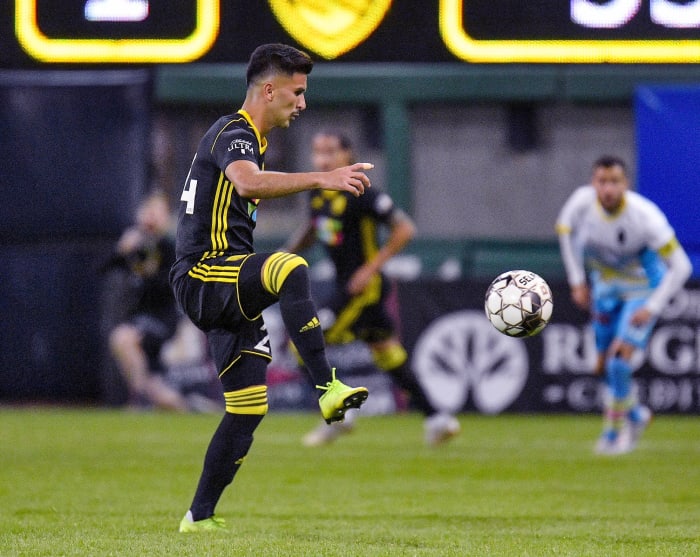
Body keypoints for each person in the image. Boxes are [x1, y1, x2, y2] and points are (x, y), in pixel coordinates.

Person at [170, 43, 372, 532]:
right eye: (296, 92)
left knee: (247, 408)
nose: (302, 103)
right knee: (289, 268)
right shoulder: (235, 132)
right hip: (204, 274)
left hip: (224, 280)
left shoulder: (250, 139)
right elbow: (248, 184)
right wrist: (323, 178)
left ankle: (198, 517)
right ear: (268, 90)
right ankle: (326, 387)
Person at [284, 130, 461, 447]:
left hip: (362, 289)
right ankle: (438, 419)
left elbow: (404, 229)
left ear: (348, 155)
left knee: (302, 340)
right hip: (346, 286)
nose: (322, 159)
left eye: (330, 152)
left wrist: (370, 268)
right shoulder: (318, 192)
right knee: (387, 354)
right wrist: (285, 254)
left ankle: (340, 412)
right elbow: (313, 229)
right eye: (317, 152)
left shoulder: (361, 192)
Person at [556, 155, 692, 455]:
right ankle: (636, 415)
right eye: (602, 181)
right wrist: (577, 281)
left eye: (614, 182)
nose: (608, 189)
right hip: (605, 293)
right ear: (593, 183)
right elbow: (564, 233)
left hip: (642, 293)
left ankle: (613, 434)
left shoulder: (646, 217)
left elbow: (682, 266)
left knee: (618, 360)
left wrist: (653, 306)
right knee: (602, 366)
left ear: (626, 184)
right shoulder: (580, 204)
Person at [102, 191, 191, 412]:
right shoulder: (135, 247)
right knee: (158, 390)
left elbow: (169, 287)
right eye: (148, 212)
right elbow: (104, 269)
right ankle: (182, 407)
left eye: (156, 213)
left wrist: (148, 273)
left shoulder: (168, 248)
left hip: (161, 318)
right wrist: (121, 251)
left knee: (122, 337)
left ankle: (140, 400)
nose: (151, 219)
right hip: (140, 318)